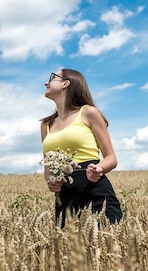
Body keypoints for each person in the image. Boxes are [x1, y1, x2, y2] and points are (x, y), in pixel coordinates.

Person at [40, 68, 123, 227]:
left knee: (109, 248)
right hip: (65, 196)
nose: (46, 82)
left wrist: (99, 169)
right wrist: (51, 181)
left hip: (93, 188)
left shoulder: (88, 113)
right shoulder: (46, 125)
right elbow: (47, 166)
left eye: (52, 78)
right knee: (70, 250)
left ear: (66, 83)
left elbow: (111, 158)